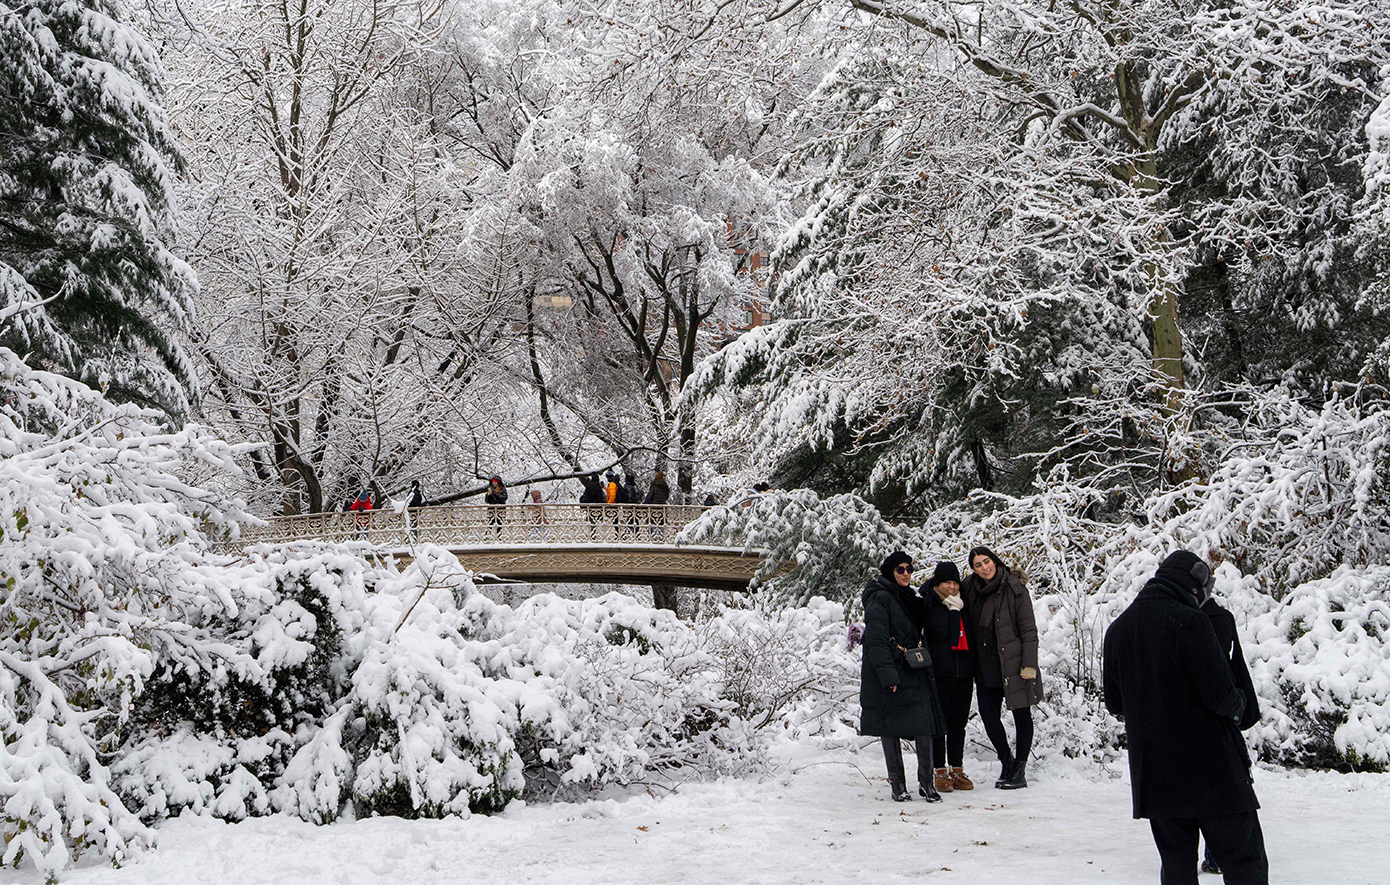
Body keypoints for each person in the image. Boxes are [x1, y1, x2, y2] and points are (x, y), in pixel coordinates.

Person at [1103, 551, 1268, 885]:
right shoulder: (1192, 621)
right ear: (1195, 585)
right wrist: (1240, 704)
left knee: (1176, 864)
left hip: (1155, 772)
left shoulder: (1118, 629)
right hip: (1212, 769)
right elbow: (1220, 695)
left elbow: (1115, 703)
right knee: (1243, 861)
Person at [860, 551, 946, 803]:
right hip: (891, 672)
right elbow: (875, 642)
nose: (906, 573)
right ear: (890, 572)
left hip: (914, 669)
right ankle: (897, 785)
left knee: (923, 724)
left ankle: (926, 784)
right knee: (890, 728)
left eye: (909, 568)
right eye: (900, 569)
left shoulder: (908, 597)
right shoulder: (880, 598)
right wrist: (889, 677)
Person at [960, 545, 1042, 789]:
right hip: (985, 663)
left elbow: (1029, 630)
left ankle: (1020, 768)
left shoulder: (1015, 589)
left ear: (994, 560)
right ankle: (1006, 760)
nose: (984, 568)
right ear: (973, 569)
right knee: (988, 715)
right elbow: (944, 590)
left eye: (987, 561)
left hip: (1014, 662)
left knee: (1021, 713)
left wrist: (1029, 664)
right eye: (978, 565)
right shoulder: (969, 588)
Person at [1198, 590, 1262, 875]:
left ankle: (1211, 857)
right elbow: (1235, 667)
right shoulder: (1222, 619)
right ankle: (1215, 857)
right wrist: (1241, 707)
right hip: (1222, 719)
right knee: (1223, 792)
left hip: (1195, 717)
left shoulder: (1182, 621)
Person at [919, 561, 976, 793]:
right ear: (937, 583)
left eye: (955, 582)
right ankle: (939, 770)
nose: (952, 587)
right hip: (938, 673)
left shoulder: (964, 606)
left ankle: (957, 768)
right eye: (947, 583)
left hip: (963, 672)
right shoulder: (927, 604)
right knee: (939, 724)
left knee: (958, 723)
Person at [644, 469, 670, 540]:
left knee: (652, 522)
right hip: (663, 506)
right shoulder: (665, 486)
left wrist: (645, 504)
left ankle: (651, 537)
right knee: (661, 522)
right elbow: (667, 496)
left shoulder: (654, 485)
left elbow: (650, 495)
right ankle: (662, 537)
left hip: (654, 506)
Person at [579, 472, 604, 538]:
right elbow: (600, 498)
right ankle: (592, 534)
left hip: (589, 506)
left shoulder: (588, 486)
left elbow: (586, 496)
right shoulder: (597, 487)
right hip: (596, 507)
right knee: (594, 521)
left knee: (590, 520)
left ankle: (589, 534)